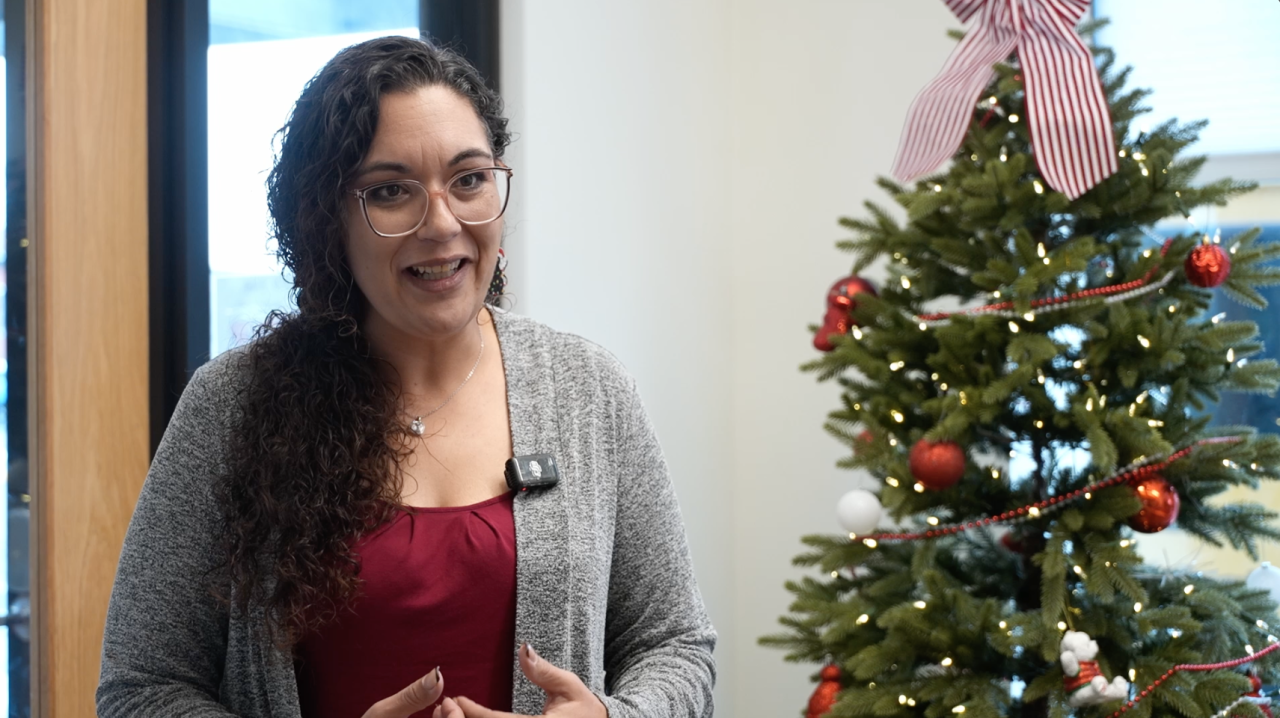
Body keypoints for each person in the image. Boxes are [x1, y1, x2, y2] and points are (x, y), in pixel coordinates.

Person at [97, 36, 716, 718]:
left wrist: (608, 717)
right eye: (391, 192)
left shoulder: (590, 390)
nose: (442, 222)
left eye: (469, 179)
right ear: (327, 220)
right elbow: (141, 690)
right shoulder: (232, 406)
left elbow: (676, 647)